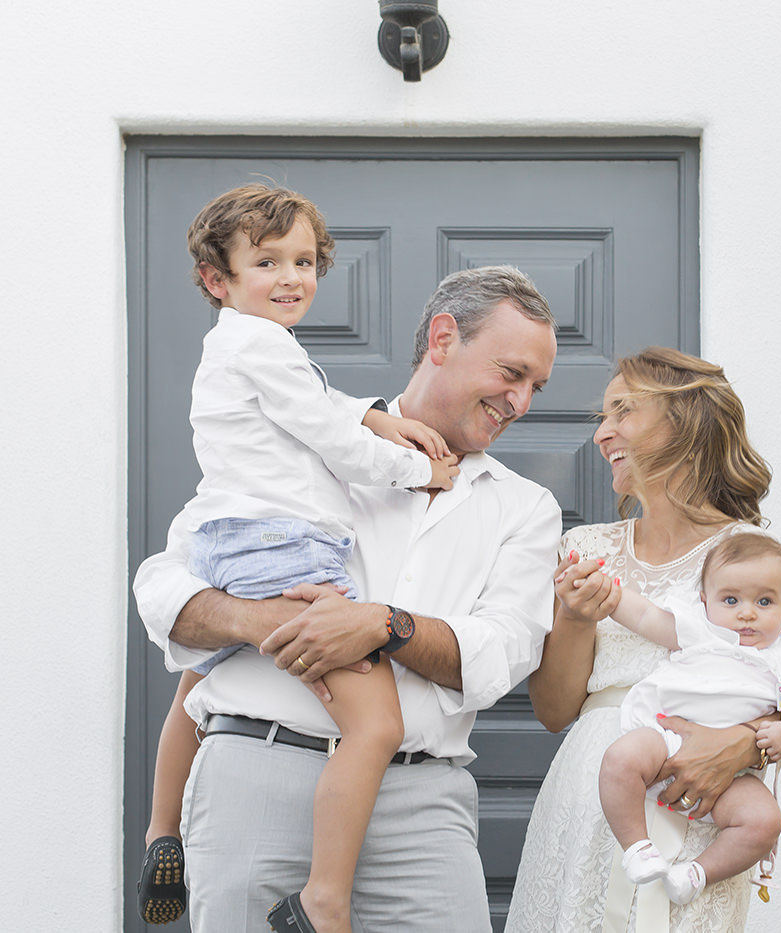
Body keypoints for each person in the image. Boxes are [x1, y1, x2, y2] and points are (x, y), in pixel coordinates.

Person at [133, 260, 562, 932]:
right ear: (443, 338)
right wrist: (260, 618)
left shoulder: (526, 507)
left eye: (536, 386)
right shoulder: (302, 438)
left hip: (424, 803)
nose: (523, 401)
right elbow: (164, 586)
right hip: (258, 779)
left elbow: (502, 653)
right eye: (512, 374)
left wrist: (382, 625)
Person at [134, 183, 460, 933]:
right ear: (219, 279)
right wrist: (421, 470)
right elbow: (333, 439)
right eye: (267, 261)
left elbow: (314, 403)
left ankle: (162, 830)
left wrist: (371, 411)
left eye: (305, 261)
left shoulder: (235, 345)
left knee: (200, 678)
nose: (292, 277)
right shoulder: (260, 343)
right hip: (280, 546)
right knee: (376, 723)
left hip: (231, 541)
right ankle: (324, 897)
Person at [507, 348, 781, 933]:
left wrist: (745, 746)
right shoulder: (585, 549)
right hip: (589, 799)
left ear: (683, 424)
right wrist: (574, 618)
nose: (602, 433)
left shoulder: (752, 560)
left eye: (623, 411)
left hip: (695, 810)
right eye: (603, 415)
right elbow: (555, 709)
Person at [600, 530, 781, 906]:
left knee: (766, 822)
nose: (746, 612)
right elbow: (645, 615)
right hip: (666, 738)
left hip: (733, 774)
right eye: (731, 600)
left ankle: (695, 874)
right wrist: (609, 596)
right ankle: (638, 849)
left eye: (764, 601)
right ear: (704, 602)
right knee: (619, 759)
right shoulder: (702, 630)